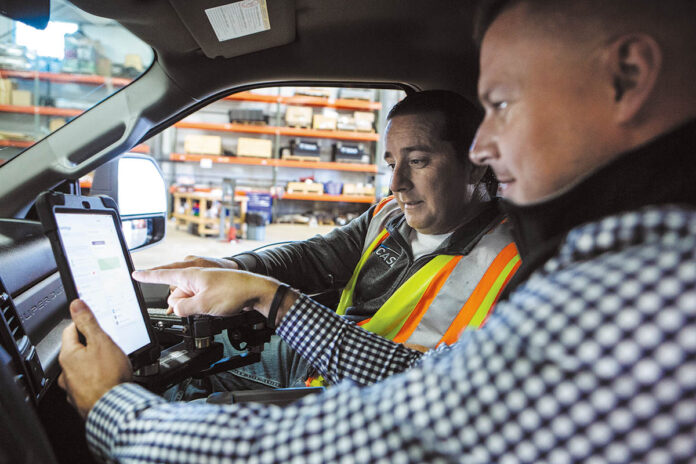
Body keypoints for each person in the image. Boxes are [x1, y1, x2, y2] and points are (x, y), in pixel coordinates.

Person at [59, 0, 696, 462]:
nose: (488, 147)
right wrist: (244, 281)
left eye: (502, 105)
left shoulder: (639, 298)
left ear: (629, 76)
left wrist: (118, 411)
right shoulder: (603, 262)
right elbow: (315, 262)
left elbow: (376, 432)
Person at [159, 90, 519, 397]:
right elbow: (312, 257)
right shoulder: (389, 215)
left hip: (365, 400)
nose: (397, 183)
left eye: (418, 161)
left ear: (475, 165)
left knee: (174, 416)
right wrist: (233, 268)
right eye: (392, 163)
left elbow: (431, 386)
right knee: (170, 373)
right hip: (310, 359)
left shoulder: (514, 262)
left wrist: (270, 298)